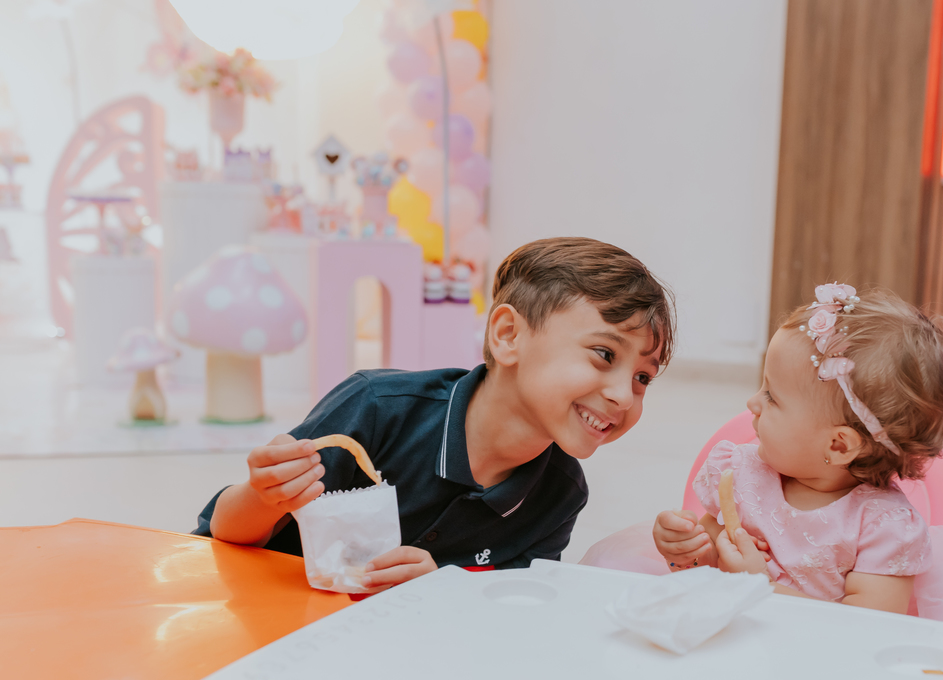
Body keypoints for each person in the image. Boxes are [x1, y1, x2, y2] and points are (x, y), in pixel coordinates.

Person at [647, 283, 943, 680]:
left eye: (772, 395)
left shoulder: (883, 527)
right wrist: (688, 547)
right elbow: (710, 556)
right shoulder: (742, 471)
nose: (752, 403)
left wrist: (760, 587)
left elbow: (866, 632)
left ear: (839, 445)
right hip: (726, 657)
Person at [194, 237, 675, 590]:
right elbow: (224, 535)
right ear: (508, 336)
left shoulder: (559, 494)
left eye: (643, 377)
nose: (624, 397)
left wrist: (440, 590)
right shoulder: (377, 408)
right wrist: (264, 494)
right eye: (604, 355)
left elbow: (505, 614)